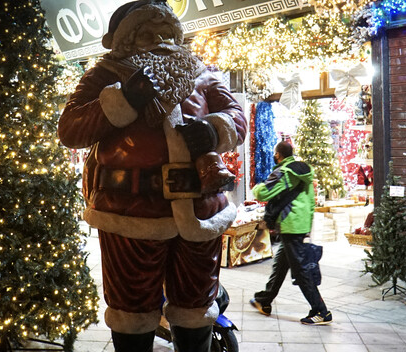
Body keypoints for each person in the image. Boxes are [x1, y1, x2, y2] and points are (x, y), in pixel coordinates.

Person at [57, 1, 247, 351]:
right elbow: (70, 129)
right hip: (130, 211)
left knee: (196, 308)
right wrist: (123, 99)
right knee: (132, 312)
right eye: (147, 33)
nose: (160, 40)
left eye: (166, 33)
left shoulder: (201, 72)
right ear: (126, 39)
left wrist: (212, 130)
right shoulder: (105, 74)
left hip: (200, 209)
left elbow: (235, 114)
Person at [250, 141, 332, 325]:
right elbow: (310, 202)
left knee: (301, 271)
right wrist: (307, 224)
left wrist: (255, 187)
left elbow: (263, 193)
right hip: (299, 225)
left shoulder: (284, 172)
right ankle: (265, 301)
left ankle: (321, 311)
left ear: (278, 155)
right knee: (280, 266)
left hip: (290, 225)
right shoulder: (304, 170)